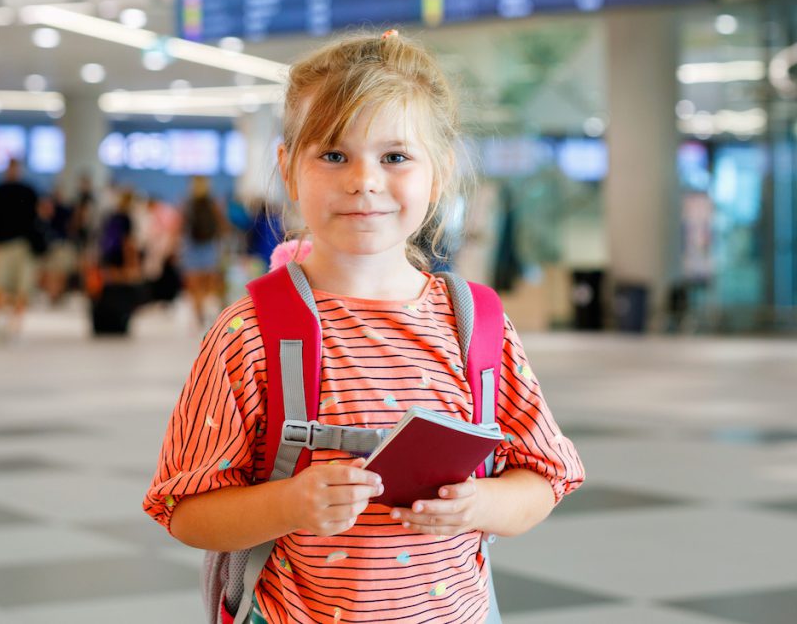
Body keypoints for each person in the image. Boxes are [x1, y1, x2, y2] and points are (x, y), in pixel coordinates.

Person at [143, 32, 584, 623]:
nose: (364, 180)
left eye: (395, 156)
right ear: (288, 168)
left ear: (441, 172)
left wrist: (480, 503)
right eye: (333, 154)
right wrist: (290, 503)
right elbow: (185, 507)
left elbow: (544, 479)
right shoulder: (251, 331)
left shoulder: (475, 326)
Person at [0, 158, 38, 336]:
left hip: (23, 245)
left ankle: (15, 322)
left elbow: (40, 215)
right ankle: (0, 318)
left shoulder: (29, 191)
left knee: (22, 287)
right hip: (1, 245)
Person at [180, 176, 225, 326]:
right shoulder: (213, 203)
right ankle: (207, 311)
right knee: (209, 283)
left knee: (194, 285)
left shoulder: (187, 204)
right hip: (209, 246)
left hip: (192, 246)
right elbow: (222, 224)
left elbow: (181, 227)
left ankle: (198, 313)